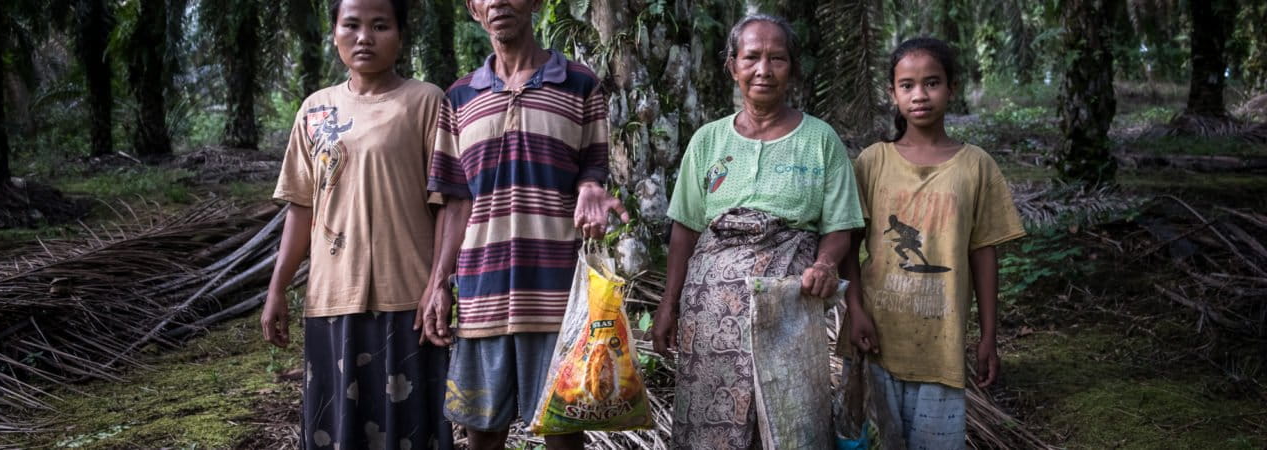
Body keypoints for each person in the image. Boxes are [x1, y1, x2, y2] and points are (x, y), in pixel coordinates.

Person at [417, 0, 627, 449]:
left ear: (535, 2)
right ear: (474, 9)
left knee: (563, 430)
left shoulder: (579, 84)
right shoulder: (459, 97)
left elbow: (593, 169)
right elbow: (455, 203)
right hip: (480, 294)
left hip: (555, 294)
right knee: (482, 434)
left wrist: (590, 188)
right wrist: (438, 284)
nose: (498, 2)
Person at [650, 14, 866, 449]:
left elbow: (841, 224)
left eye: (777, 58)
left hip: (787, 310)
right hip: (708, 319)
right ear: (732, 66)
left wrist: (825, 262)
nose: (763, 70)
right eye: (751, 57)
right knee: (711, 421)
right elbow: (685, 230)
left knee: (785, 421)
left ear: (793, 67)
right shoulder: (707, 141)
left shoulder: (820, 140)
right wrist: (668, 305)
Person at [260, 0, 453, 447]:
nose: (364, 37)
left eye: (380, 25)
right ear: (334, 34)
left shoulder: (425, 102)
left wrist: (439, 284)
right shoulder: (315, 110)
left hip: (408, 297)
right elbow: (301, 207)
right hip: (331, 296)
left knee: (410, 427)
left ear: (400, 36)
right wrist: (276, 289)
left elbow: (446, 204)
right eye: (352, 25)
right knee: (338, 428)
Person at [840, 37, 1027, 449]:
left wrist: (988, 336)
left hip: (941, 346)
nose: (919, 95)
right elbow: (847, 246)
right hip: (874, 340)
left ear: (951, 88)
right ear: (892, 93)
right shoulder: (873, 161)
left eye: (932, 83)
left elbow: (983, 252)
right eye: (906, 85)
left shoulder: (976, 165)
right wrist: (854, 311)